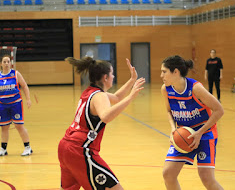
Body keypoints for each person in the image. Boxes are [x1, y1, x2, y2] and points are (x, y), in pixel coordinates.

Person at [58, 57, 145, 190]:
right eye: (112, 73)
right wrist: (131, 97)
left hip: (65, 147)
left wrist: (132, 80)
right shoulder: (100, 96)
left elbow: (116, 98)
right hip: (80, 149)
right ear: (105, 77)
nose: (113, 76)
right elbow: (105, 116)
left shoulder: (90, 92)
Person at [161, 55, 224, 190]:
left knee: (207, 178)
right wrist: (173, 129)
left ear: (176, 72)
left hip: (205, 134)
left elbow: (219, 110)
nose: (161, 75)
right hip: (184, 135)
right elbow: (169, 112)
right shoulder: (165, 89)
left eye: (164, 71)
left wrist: (200, 133)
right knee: (168, 174)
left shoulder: (195, 88)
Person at [0, 55, 33, 156]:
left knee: (19, 126)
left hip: (16, 104)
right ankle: (3, 149)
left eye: (8, 62)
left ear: (11, 63)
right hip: (3, 105)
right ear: (1, 64)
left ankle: (28, 147)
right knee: (4, 127)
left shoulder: (15, 74)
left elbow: (24, 86)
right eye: (4, 62)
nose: (6, 64)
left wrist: (28, 99)